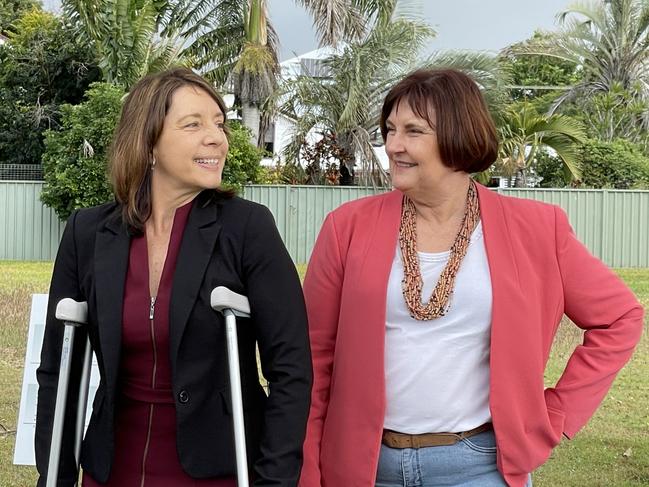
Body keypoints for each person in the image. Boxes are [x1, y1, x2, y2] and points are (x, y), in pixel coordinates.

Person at [299, 69, 644, 487]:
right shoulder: (347, 228)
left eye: (413, 131)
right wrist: (309, 470)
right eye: (389, 130)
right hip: (363, 470)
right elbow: (313, 360)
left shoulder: (537, 228)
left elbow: (620, 317)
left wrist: (556, 413)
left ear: (459, 138)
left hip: (480, 469)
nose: (393, 145)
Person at [35, 67, 312, 487]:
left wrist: (274, 480)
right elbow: (58, 371)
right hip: (111, 469)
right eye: (193, 124)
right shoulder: (89, 233)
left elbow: (291, 368)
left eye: (220, 124)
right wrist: (52, 478)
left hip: (215, 469)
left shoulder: (247, 228)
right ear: (149, 144)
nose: (217, 138)